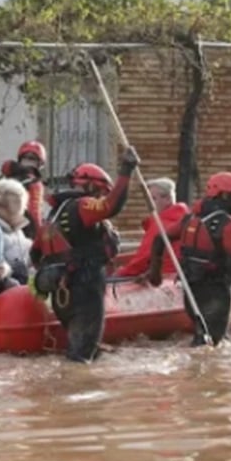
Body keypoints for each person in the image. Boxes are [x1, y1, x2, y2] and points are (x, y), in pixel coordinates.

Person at [30, 147, 140, 363]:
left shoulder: (52, 215)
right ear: (91, 187)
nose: (101, 198)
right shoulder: (82, 206)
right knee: (80, 359)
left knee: (83, 351)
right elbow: (110, 206)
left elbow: (35, 254)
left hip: (62, 295)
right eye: (100, 192)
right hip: (84, 290)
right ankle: (76, 393)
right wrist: (126, 170)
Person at [145, 172, 231, 346]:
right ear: (224, 195)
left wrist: (155, 271)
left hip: (192, 292)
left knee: (202, 338)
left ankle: (193, 370)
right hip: (216, 294)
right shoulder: (228, 225)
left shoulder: (190, 219)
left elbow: (160, 239)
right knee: (214, 345)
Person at [114, 178, 188, 278]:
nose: (148, 204)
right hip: (179, 279)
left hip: (162, 279)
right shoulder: (185, 221)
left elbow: (142, 260)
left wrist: (120, 273)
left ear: (168, 199)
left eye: (153, 199)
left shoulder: (161, 225)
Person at [0, 140, 48, 240]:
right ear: (39, 164)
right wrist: (39, 237)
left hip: (0, 228)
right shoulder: (34, 183)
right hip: (22, 232)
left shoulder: (6, 179)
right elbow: (34, 212)